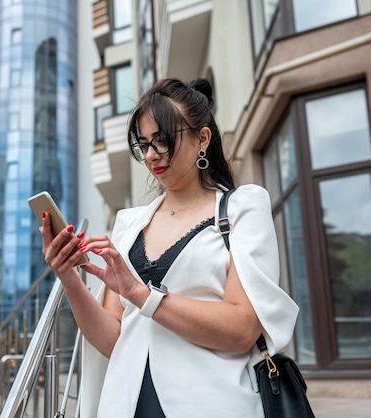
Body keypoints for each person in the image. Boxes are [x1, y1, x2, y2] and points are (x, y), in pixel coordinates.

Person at [40, 78, 299, 417]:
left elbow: (242, 328)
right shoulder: (129, 224)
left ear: (202, 138)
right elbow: (113, 341)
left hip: (213, 404)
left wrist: (141, 295)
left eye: (162, 141)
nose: (150, 155)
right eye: (143, 144)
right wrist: (70, 280)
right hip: (126, 404)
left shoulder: (242, 207)